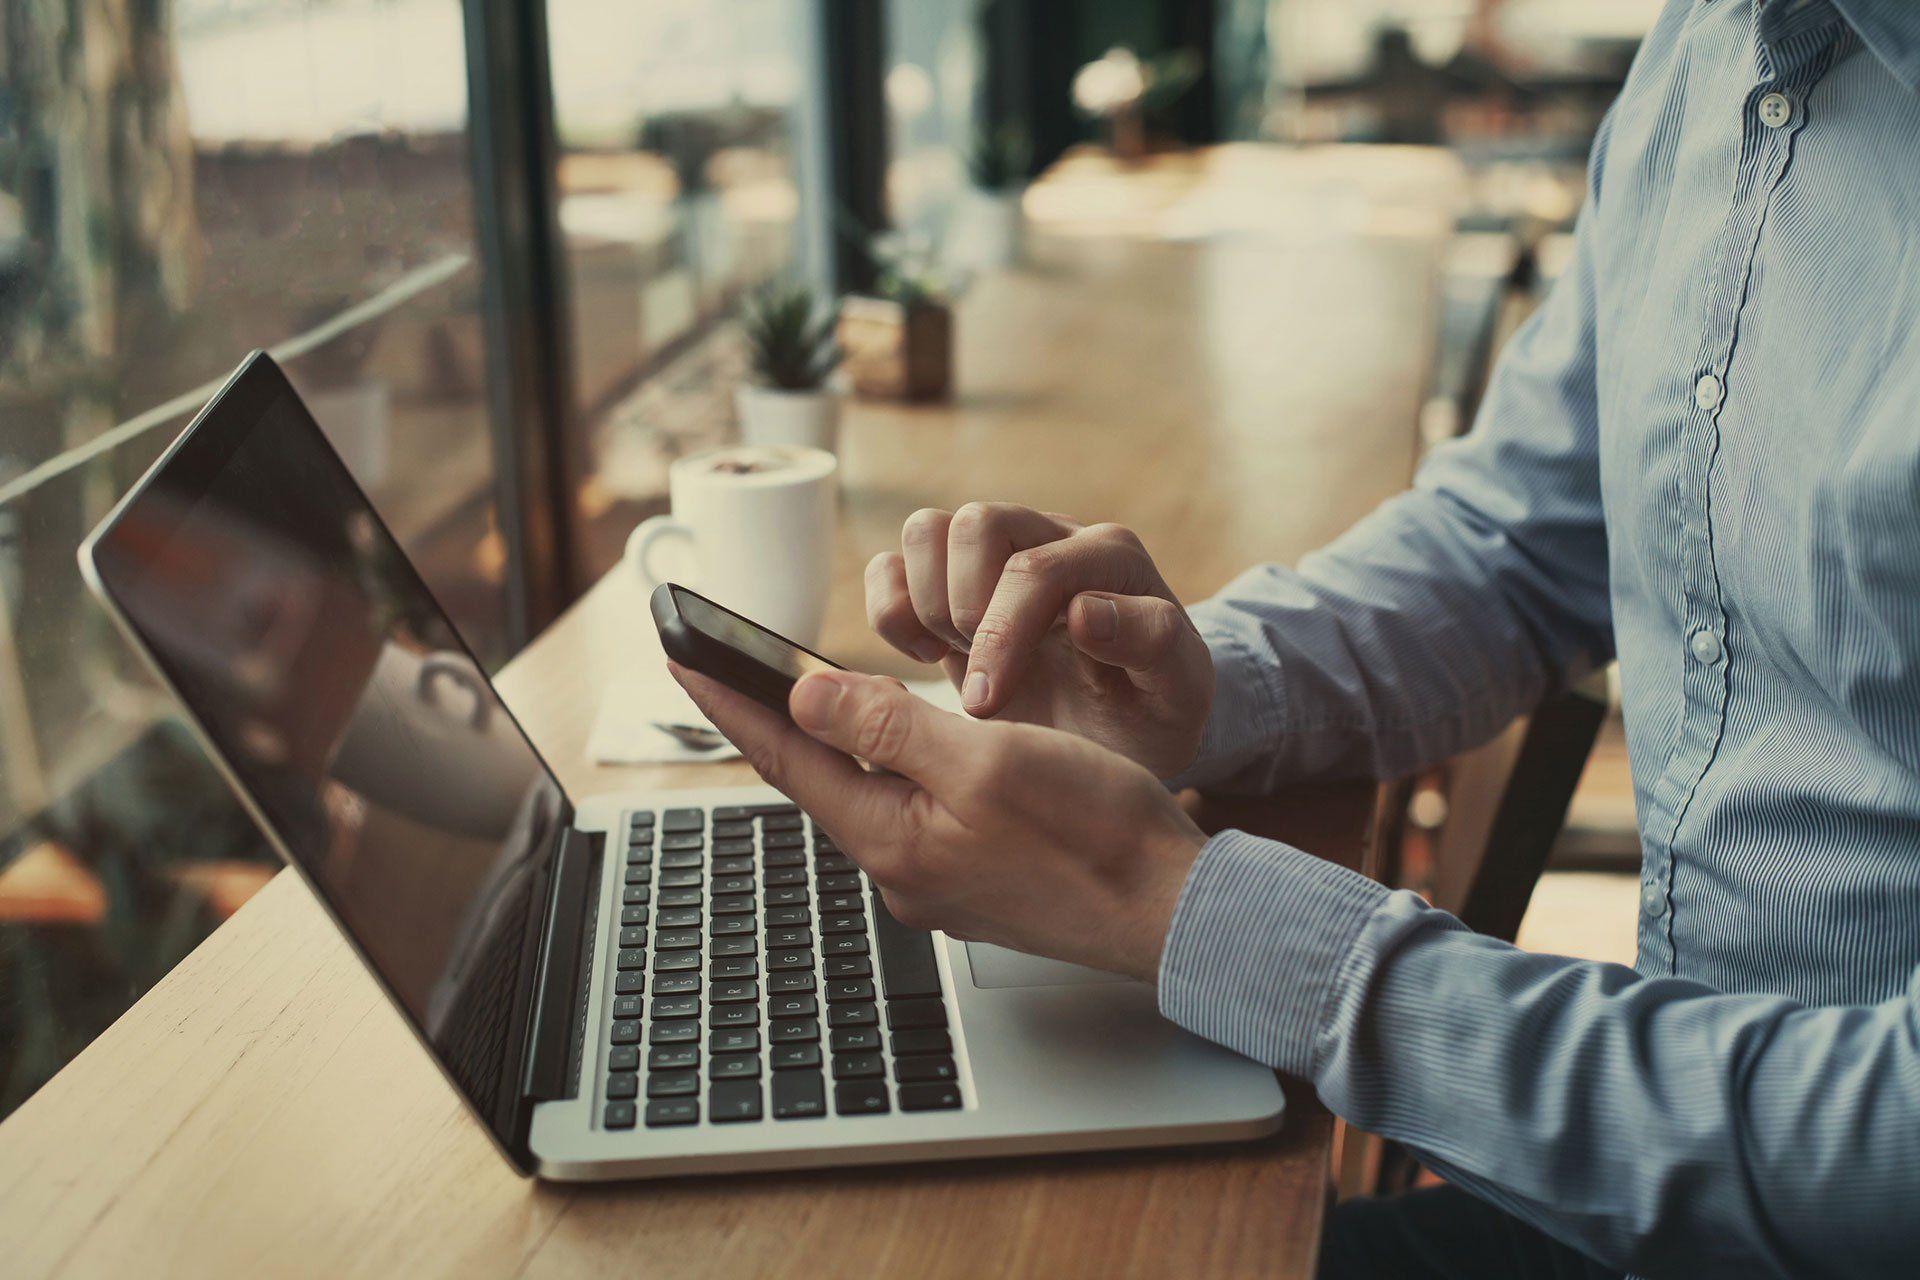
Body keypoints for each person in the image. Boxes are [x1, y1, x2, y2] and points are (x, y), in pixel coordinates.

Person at [672, 3, 1920, 1276]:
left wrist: (1175, 911)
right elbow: (1523, 541)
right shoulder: (1710, 49)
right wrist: (1198, 690)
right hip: (1636, 1149)